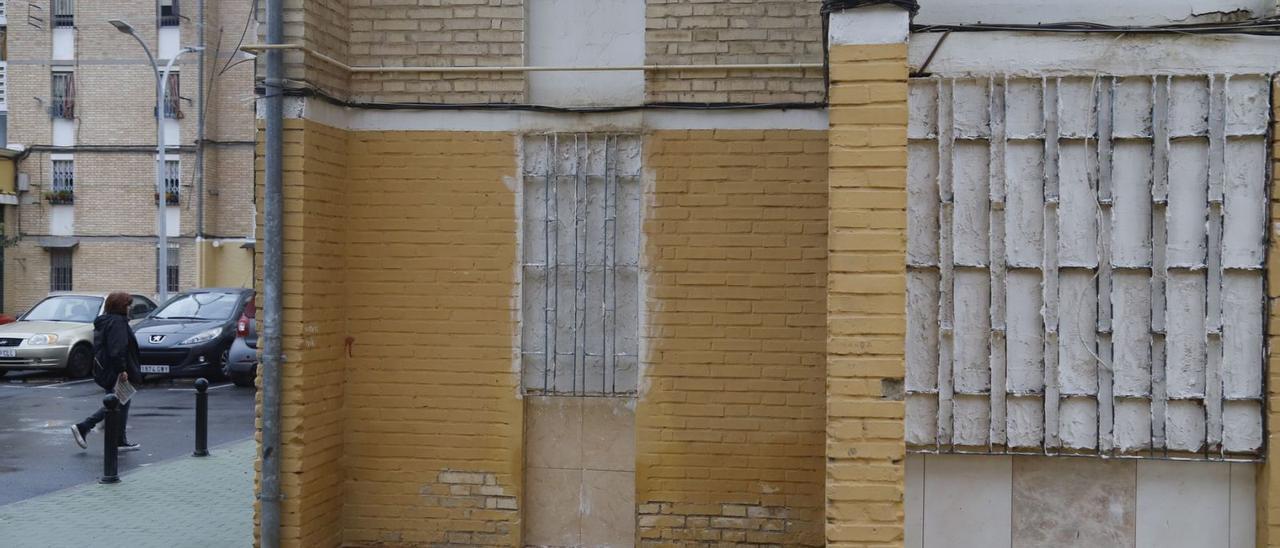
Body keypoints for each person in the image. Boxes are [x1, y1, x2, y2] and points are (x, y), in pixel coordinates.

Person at [70, 291, 143, 451]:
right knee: (117, 403)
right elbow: (117, 349)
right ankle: (84, 426)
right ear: (120, 306)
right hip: (116, 371)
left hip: (106, 369)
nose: (130, 308)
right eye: (127, 305)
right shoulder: (118, 322)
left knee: (118, 403)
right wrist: (122, 370)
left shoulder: (106, 321)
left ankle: (119, 440)